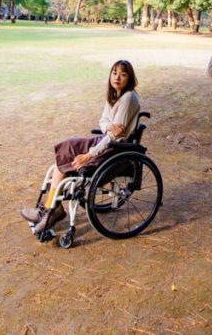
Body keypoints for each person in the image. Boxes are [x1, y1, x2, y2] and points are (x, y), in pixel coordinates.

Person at [21, 60, 142, 231]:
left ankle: (50, 211)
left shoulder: (128, 97)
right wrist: (108, 126)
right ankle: (50, 209)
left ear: (129, 78)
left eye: (123, 74)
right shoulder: (116, 94)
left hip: (113, 148)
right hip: (104, 140)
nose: (117, 77)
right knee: (63, 155)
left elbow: (114, 136)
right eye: (114, 73)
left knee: (65, 165)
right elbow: (103, 122)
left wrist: (88, 155)